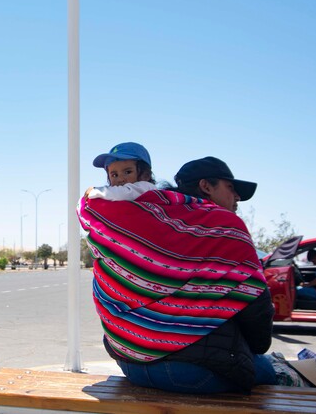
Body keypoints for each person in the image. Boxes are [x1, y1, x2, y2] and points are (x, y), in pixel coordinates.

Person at [78, 156, 284, 394]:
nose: (236, 197)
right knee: (269, 373)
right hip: (195, 373)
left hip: (131, 363)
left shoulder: (141, 219)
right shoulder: (225, 226)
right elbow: (256, 307)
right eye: (231, 188)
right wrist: (253, 349)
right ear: (206, 186)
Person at [84, 142, 156, 201]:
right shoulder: (117, 198)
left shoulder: (147, 187)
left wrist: (97, 191)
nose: (120, 179)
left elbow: (125, 193)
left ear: (145, 175)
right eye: (114, 175)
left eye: (128, 172)